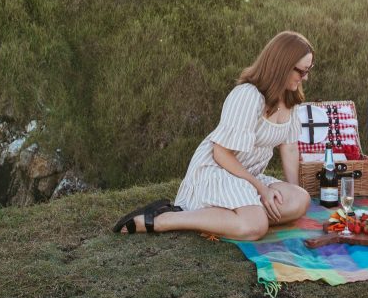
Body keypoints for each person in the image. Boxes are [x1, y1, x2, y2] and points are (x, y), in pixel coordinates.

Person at [113, 31, 313, 240]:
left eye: (309, 69)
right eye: (301, 71)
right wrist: (261, 189)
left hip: (248, 176)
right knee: (256, 227)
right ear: (282, 65)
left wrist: (290, 188)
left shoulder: (290, 98)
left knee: (300, 200)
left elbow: (289, 147)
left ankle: (228, 217)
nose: (305, 77)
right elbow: (221, 154)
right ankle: (164, 219)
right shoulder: (248, 95)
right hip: (217, 170)